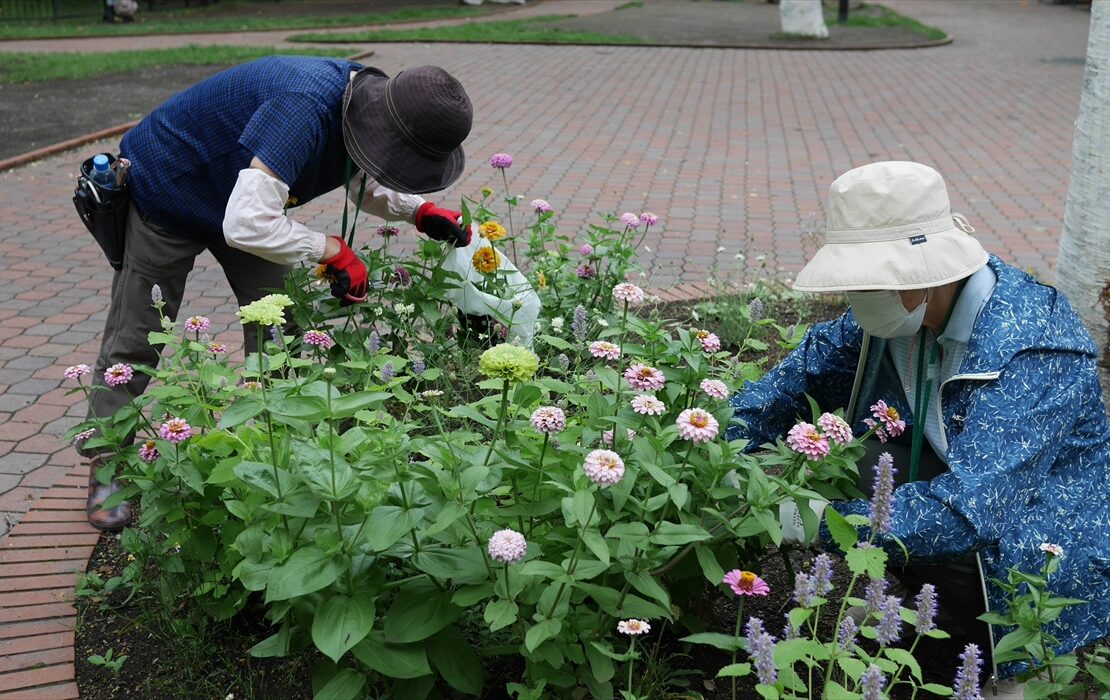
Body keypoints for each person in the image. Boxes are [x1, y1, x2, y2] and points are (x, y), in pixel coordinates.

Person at [726, 161, 1110, 694]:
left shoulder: (1030, 343)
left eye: (874, 281)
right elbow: (795, 381)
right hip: (954, 494)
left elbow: (974, 508)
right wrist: (716, 449)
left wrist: (818, 523)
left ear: (930, 271)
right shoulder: (897, 313)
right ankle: (908, 597)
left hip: (1041, 536)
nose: (858, 297)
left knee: (1009, 554)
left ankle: (1027, 662)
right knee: (839, 459)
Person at [81, 56, 474, 531]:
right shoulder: (302, 108)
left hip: (245, 199)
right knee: (136, 336)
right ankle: (106, 464)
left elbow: (361, 171)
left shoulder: (367, 109)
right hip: (171, 187)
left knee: (279, 327)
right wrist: (329, 248)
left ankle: (282, 448)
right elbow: (247, 224)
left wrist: (418, 210)